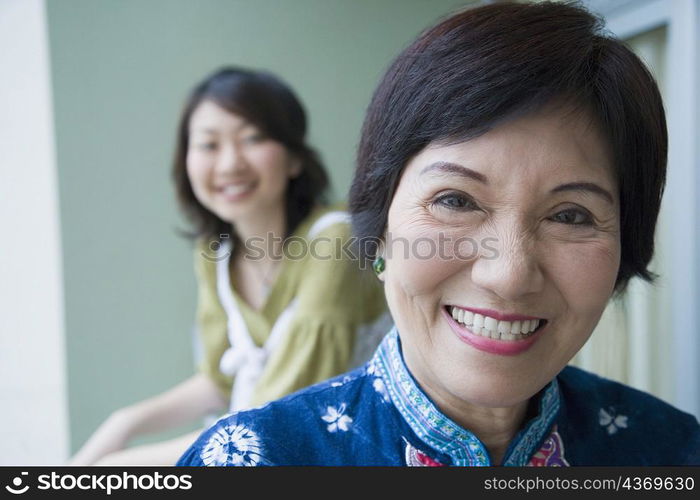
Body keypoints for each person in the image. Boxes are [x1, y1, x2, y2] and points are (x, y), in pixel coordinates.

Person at [177, 2, 700, 466]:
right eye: (455, 201)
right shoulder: (251, 461)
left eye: (570, 216)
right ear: (378, 230)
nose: (509, 274)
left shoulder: (674, 453)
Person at [70, 68, 389, 465]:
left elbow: (282, 413)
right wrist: (125, 423)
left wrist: (118, 466)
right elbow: (220, 382)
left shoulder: (334, 241)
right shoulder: (216, 254)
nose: (229, 164)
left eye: (252, 138)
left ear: (294, 159)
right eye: (208, 144)